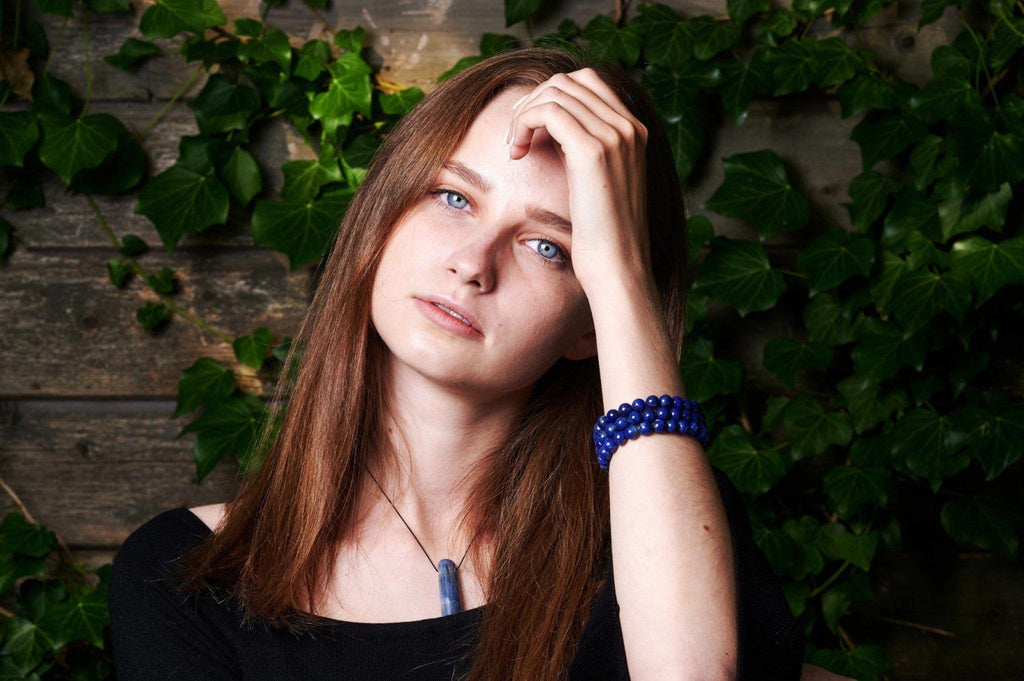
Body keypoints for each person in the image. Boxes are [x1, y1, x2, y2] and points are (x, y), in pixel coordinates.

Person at [108, 47, 803, 680]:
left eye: (550, 247)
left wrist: (620, 273)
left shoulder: (672, 527)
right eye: (454, 197)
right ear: (381, 215)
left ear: (591, 324)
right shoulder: (183, 575)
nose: (473, 263)